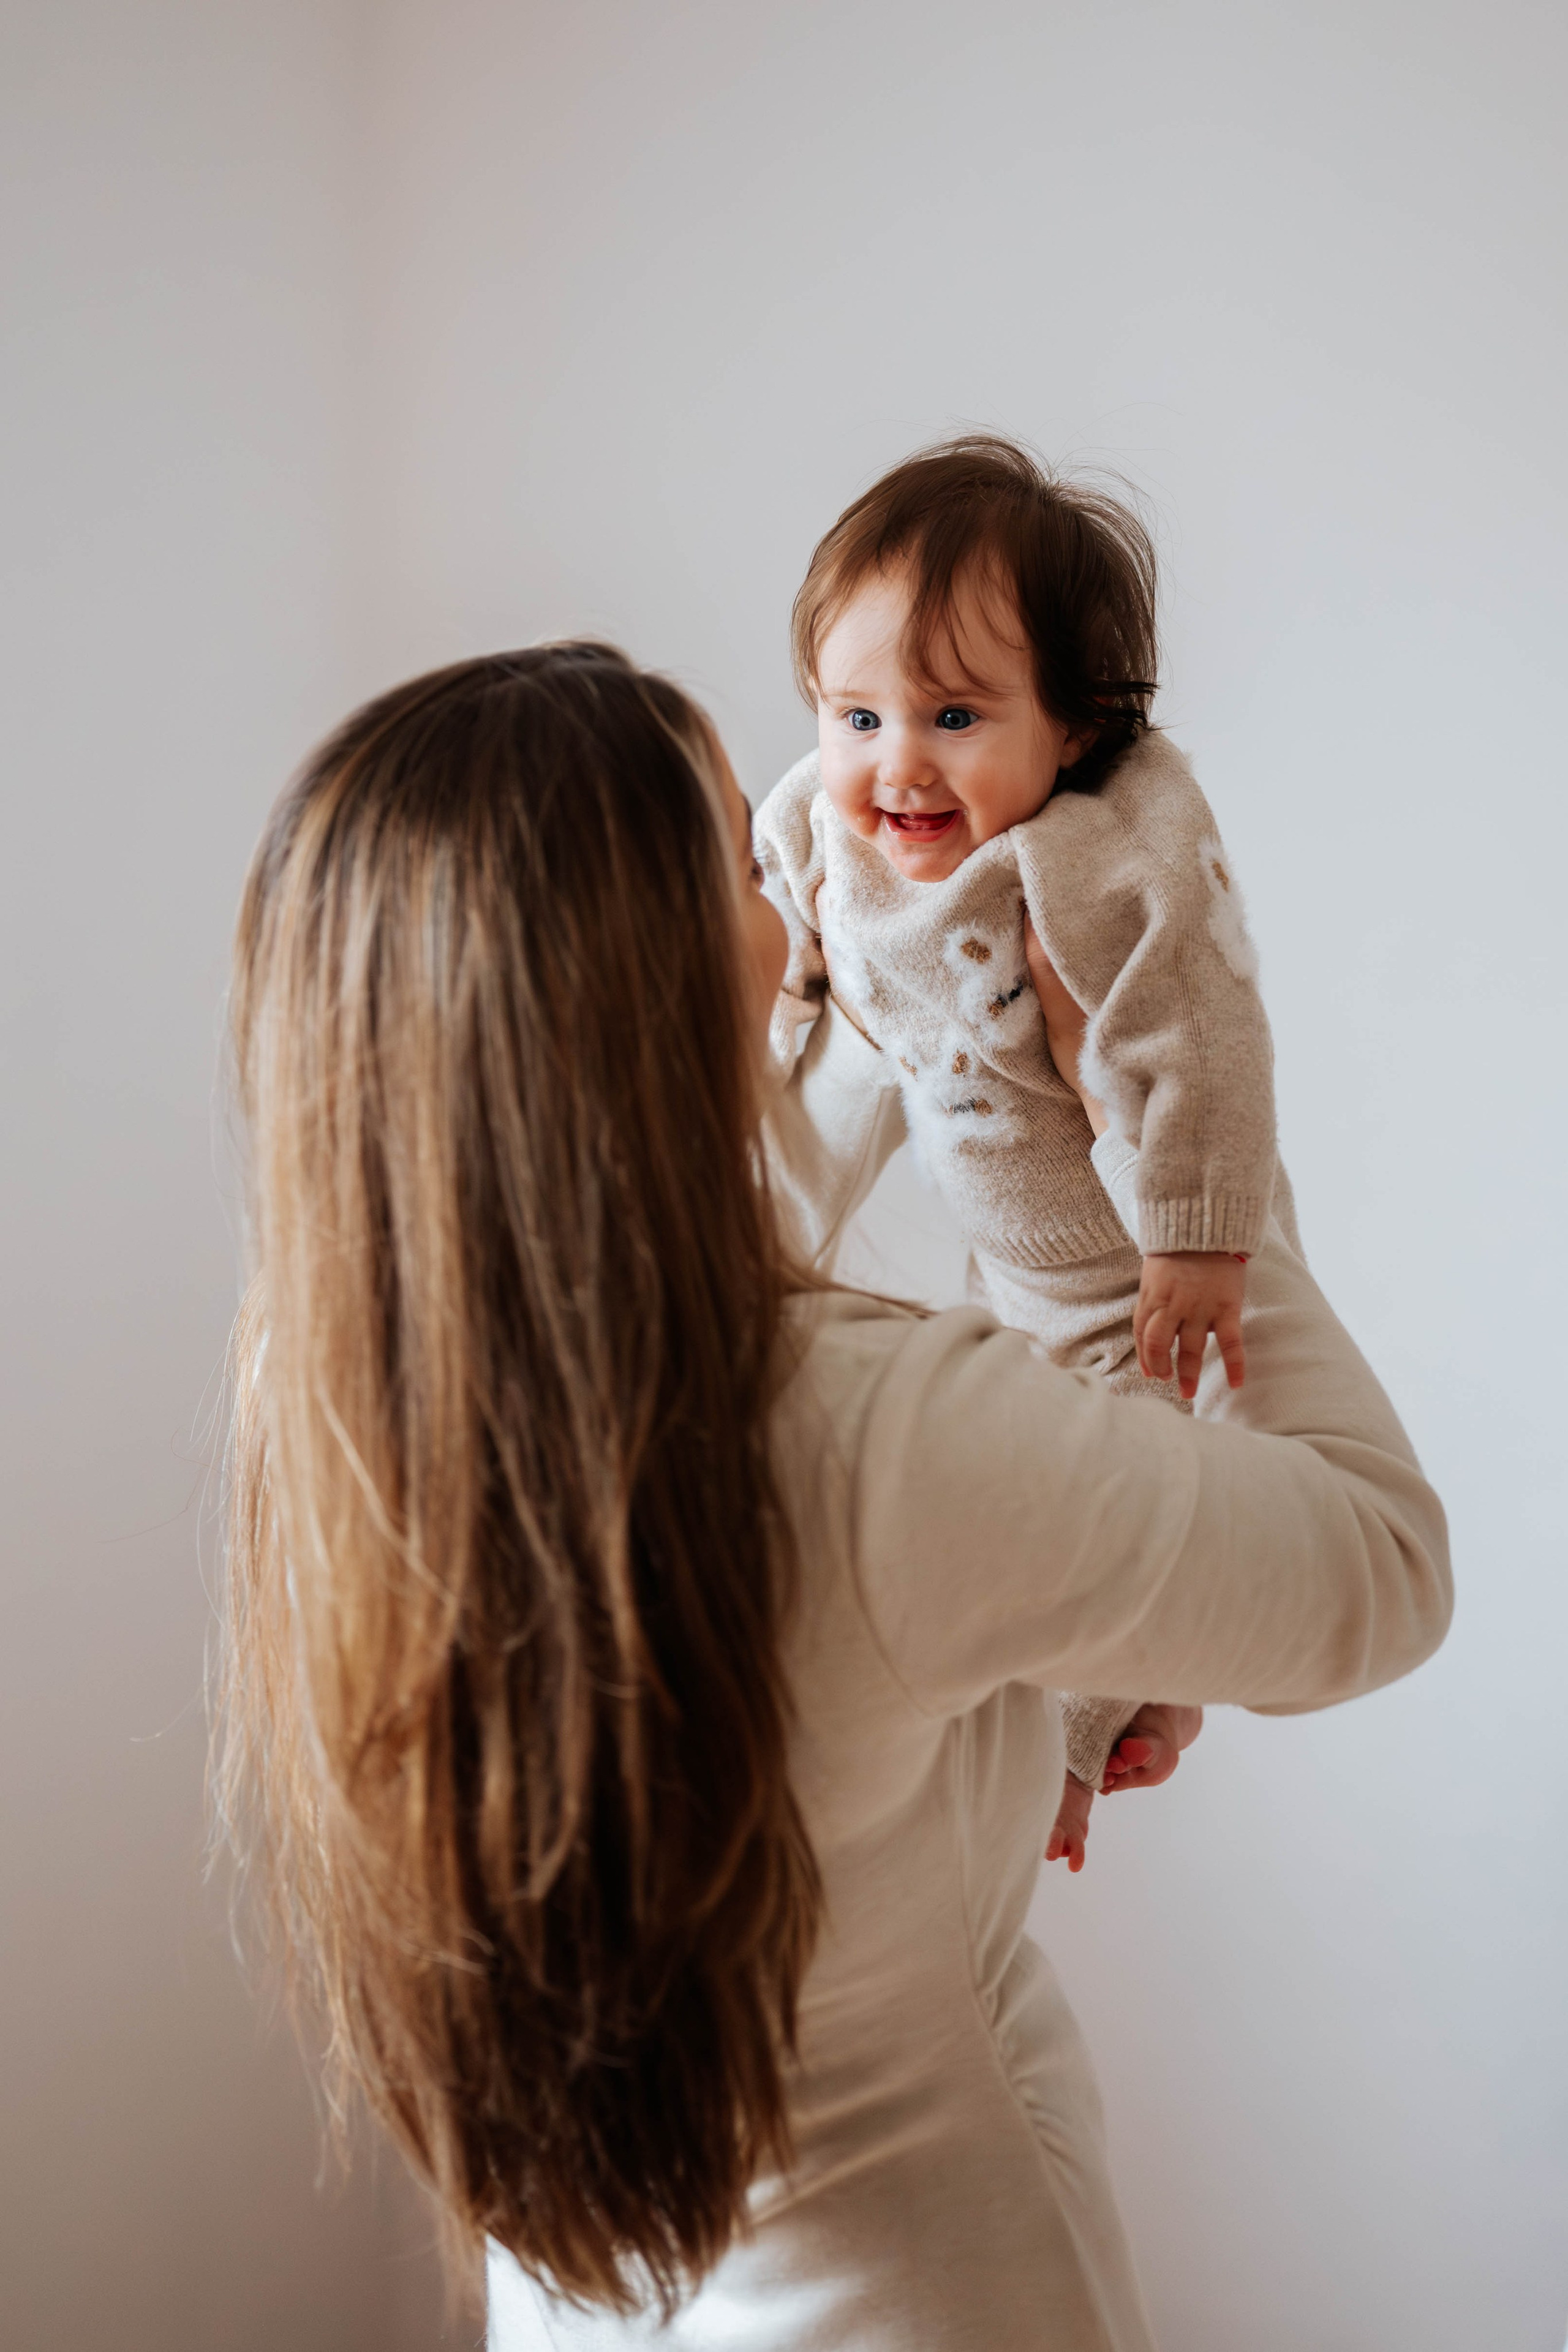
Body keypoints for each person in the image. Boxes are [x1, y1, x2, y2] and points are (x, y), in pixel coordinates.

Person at [217, 641, 1450, 2352]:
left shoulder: (334, 1404)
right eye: (743, 855)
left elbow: (696, 1242)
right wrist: (1195, 1181)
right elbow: (1380, 1565)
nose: (802, 884)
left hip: (580, 2308)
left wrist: (933, 1030)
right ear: (651, 976)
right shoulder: (882, 1435)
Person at [755, 434, 1283, 1856]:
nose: (894, 770)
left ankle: (1059, 1759)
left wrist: (1198, 1229)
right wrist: (786, 992)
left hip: (1129, 1275)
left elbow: (1206, 1039)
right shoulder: (821, 817)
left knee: (1110, 1505)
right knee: (1021, 1494)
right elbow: (792, 918)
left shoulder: (1101, 861)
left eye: (953, 718)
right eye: (852, 715)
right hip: (1001, 1251)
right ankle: (1146, 1692)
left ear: (1076, 729)